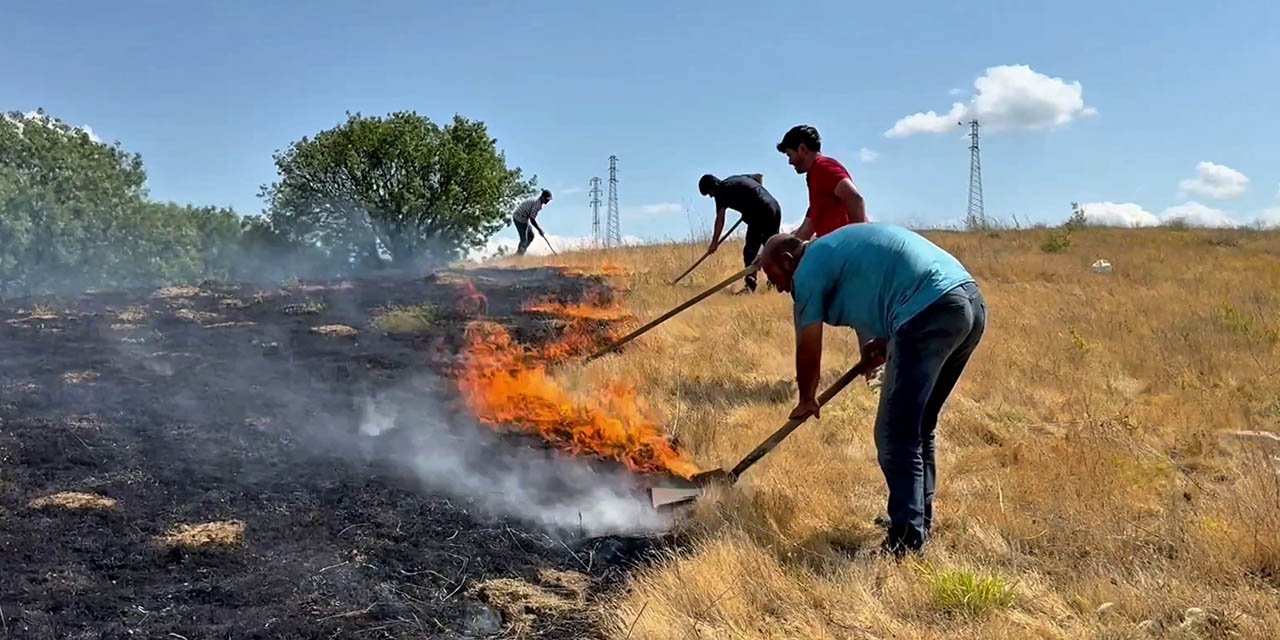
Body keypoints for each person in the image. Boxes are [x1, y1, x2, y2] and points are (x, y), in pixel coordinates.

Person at [758, 223, 986, 557]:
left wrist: (807, 398)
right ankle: (916, 519)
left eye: (772, 274)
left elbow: (808, 347)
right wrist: (877, 343)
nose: (775, 286)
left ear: (789, 259)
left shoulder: (807, 270)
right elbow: (877, 291)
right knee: (919, 426)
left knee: (895, 435)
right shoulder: (833, 251)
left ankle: (905, 541)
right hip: (967, 303)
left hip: (929, 309)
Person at [775, 124, 866, 240]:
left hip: (845, 249)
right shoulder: (814, 175)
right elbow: (807, 229)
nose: (790, 161)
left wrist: (858, 240)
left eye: (790, 155)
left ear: (802, 149)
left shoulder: (823, 167)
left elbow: (855, 198)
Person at [698, 172, 783, 293]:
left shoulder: (720, 191)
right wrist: (755, 197)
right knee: (772, 247)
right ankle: (776, 281)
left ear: (714, 186)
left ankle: (750, 284)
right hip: (774, 206)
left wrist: (714, 242)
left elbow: (720, 218)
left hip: (759, 211)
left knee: (750, 251)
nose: (711, 196)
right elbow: (758, 177)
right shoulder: (735, 179)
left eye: (709, 193)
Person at [512, 189, 553, 255]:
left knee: (531, 235)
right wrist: (539, 230)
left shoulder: (538, 203)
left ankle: (519, 253)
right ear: (542, 197)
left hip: (524, 219)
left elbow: (531, 218)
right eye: (547, 199)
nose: (548, 201)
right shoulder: (537, 204)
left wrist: (539, 230)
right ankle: (518, 256)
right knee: (524, 241)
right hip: (519, 218)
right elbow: (532, 219)